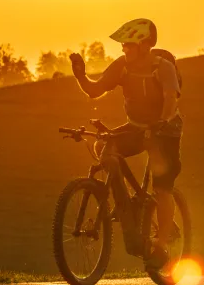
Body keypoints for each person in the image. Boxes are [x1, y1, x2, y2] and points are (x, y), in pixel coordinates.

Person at [70, 18, 182, 269]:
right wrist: (80, 75)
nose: (123, 48)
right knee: (104, 147)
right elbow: (95, 90)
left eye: (128, 44)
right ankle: (127, 206)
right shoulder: (122, 66)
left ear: (144, 45)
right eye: (123, 44)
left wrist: (162, 122)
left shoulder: (162, 67)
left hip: (166, 130)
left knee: (162, 187)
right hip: (137, 126)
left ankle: (162, 244)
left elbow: (170, 98)